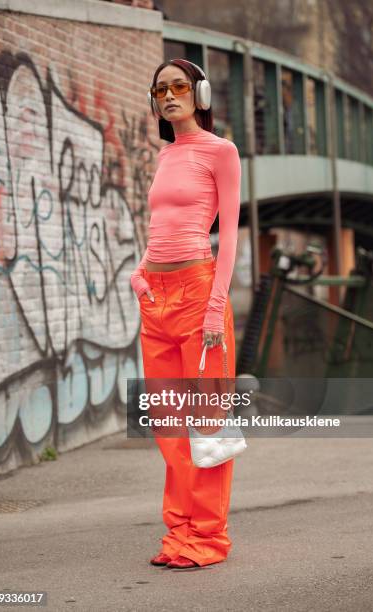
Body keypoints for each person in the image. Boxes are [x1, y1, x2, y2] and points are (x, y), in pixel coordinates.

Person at [130, 58, 241, 569]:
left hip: (199, 295)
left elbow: (230, 238)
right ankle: (179, 531)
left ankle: (208, 537)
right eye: (161, 90)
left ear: (200, 93)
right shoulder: (165, 155)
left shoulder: (221, 152)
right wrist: (139, 273)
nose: (169, 96)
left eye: (179, 87)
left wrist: (216, 309)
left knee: (208, 423)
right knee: (170, 423)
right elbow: (162, 225)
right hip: (155, 296)